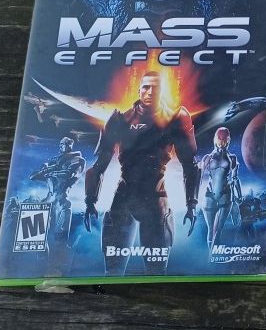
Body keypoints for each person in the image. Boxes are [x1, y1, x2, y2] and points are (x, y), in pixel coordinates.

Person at [83, 72, 199, 275]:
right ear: (139, 90)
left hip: (156, 200)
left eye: (156, 87)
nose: (150, 92)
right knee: (113, 272)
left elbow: (190, 165)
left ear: (162, 91)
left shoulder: (175, 118)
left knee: (157, 273)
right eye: (146, 87)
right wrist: (90, 201)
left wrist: (192, 204)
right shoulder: (120, 119)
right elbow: (99, 165)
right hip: (124, 198)